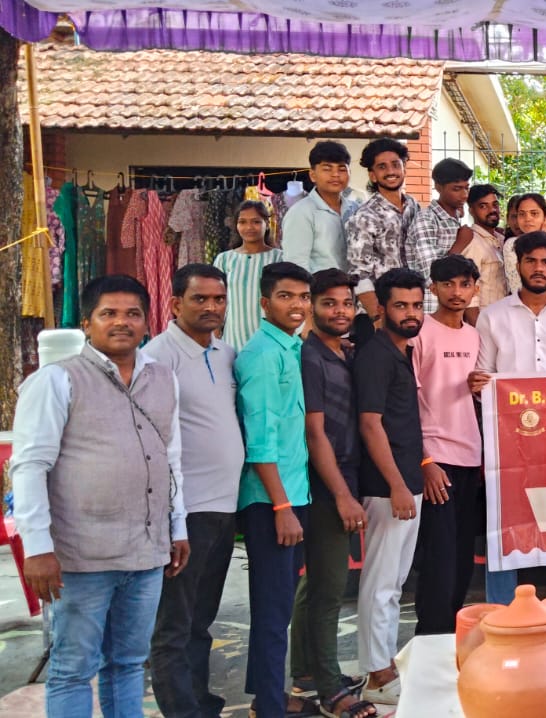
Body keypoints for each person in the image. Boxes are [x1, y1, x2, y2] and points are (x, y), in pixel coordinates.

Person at [14, 275, 190, 718]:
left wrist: (177, 527)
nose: (121, 322)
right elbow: (29, 466)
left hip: (146, 554)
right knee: (73, 668)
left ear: (147, 322)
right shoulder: (57, 380)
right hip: (81, 557)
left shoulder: (163, 378)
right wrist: (37, 548)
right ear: (86, 324)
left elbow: (171, 459)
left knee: (128, 664)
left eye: (132, 314)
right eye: (108, 313)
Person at [146, 265, 245, 718]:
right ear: (175, 304)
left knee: (201, 618)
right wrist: (172, 517)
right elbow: (153, 441)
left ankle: (201, 703)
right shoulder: (158, 356)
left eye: (218, 299)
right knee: (174, 624)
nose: (211, 307)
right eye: (199, 299)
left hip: (224, 506)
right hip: (185, 511)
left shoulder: (226, 353)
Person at [473, 231, 546, 602]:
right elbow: (484, 377)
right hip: (508, 440)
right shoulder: (492, 317)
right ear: (518, 264)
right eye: (531, 261)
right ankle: (502, 610)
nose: (538, 269)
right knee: (505, 522)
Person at [291, 269, 376, 718]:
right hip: (326, 480)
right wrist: (342, 494)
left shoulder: (342, 351)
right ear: (311, 306)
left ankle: (306, 672)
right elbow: (315, 433)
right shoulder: (310, 358)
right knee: (329, 588)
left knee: (317, 581)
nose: (340, 311)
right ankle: (329, 689)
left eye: (346, 303)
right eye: (329, 303)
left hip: (344, 474)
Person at [235, 262, 314, 717]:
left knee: (278, 604)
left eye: (303, 296)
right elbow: (260, 437)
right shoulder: (264, 355)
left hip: (293, 493)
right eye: (286, 296)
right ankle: (268, 705)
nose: (297, 305)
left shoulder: (292, 346)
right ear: (265, 303)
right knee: (272, 607)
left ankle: (266, 692)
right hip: (271, 500)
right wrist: (281, 505)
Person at [354, 268, 429, 705]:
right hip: (388, 487)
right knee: (381, 582)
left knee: (394, 582)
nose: (411, 313)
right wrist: (397, 485)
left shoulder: (401, 352)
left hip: (405, 480)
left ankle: (383, 665)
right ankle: (377, 674)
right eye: (401, 305)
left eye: (417, 305)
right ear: (381, 308)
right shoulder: (376, 355)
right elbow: (370, 424)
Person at [412, 255, 485, 636]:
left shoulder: (474, 336)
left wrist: (478, 390)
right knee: (438, 558)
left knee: (461, 559)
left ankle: (451, 640)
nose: (457, 292)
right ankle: (430, 638)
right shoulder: (419, 333)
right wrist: (424, 461)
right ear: (433, 287)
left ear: (475, 288)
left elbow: (476, 394)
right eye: (448, 284)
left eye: (464, 284)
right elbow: (406, 403)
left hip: (470, 457)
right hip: (436, 459)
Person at [346, 138, 431, 321]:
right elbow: (359, 274)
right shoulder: (365, 216)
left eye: (395, 164)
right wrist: (378, 317)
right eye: (382, 167)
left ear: (404, 168)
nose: (391, 171)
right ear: (373, 175)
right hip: (378, 313)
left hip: (412, 309)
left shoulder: (413, 206)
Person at [213, 201, 283, 350]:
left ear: (267, 224)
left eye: (256, 222)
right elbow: (217, 298)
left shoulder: (279, 258)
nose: (249, 227)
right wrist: (215, 328)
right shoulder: (224, 259)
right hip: (234, 336)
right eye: (242, 222)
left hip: (270, 336)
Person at [282, 140, 358, 273]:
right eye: (327, 169)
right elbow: (296, 265)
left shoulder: (356, 210)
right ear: (312, 175)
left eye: (341, 169)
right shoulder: (301, 213)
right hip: (319, 285)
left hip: (354, 285)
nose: (335, 174)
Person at [452, 183, 509, 314]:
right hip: (484, 317)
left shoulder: (501, 239)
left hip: (503, 315)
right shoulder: (472, 241)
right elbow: (469, 295)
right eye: (483, 206)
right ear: (471, 210)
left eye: (495, 204)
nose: (492, 210)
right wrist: (477, 325)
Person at [409, 158, 472, 266]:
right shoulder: (426, 220)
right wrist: (459, 244)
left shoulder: (454, 215)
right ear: (438, 187)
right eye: (457, 189)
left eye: (467, 188)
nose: (464, 195)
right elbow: (429, 271)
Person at [500, 193, 546, 292]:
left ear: (545, 217)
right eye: (522, 214)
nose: (528, 219)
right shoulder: (512, 245)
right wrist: (541, 241)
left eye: (534, 213)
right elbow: (518, 287)